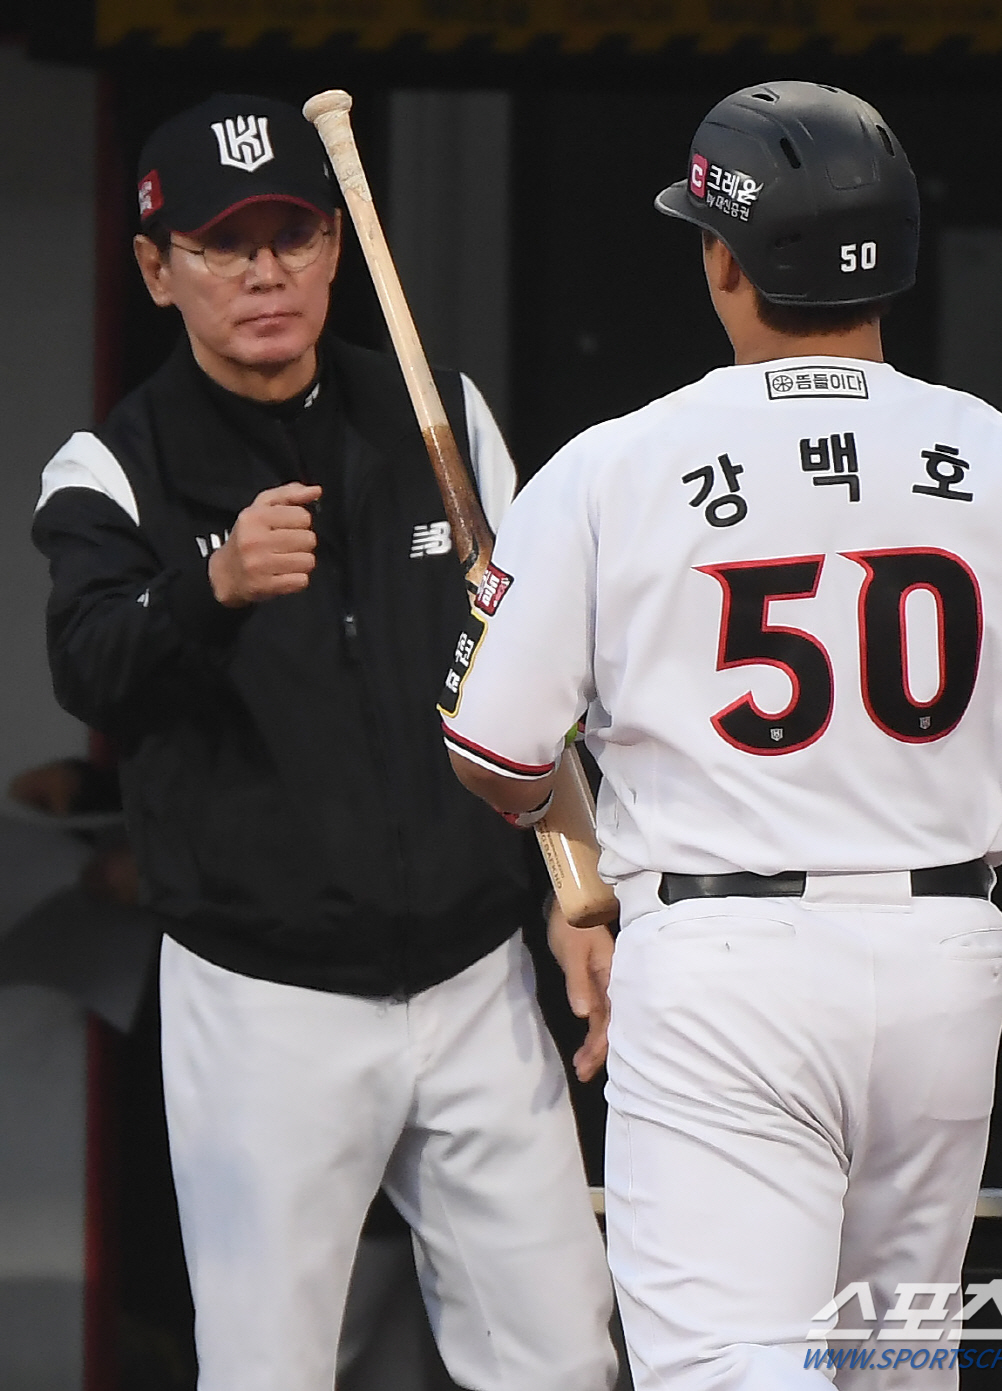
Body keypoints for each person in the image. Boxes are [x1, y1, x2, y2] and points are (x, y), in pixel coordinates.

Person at [439, 81, 1002, 1389]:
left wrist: (497, 653)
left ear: (724, 261)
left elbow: (498, 757)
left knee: (731, 1370)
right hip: (948, 955)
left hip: (727, 963)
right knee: (894, 1365)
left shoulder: (616, 467)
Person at [32, 93, 616, 1391]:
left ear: (336, 249)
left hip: (473, 979)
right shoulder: (113, 465)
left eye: (290, 236)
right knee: (268, 1373)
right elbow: (88, 665)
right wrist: (211, 588)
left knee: (564, 1361)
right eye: (222, 245)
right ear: (157, 269)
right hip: (264, 1001)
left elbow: (535, 668)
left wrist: (577, 888)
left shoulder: (437, 415)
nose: (263, 273)